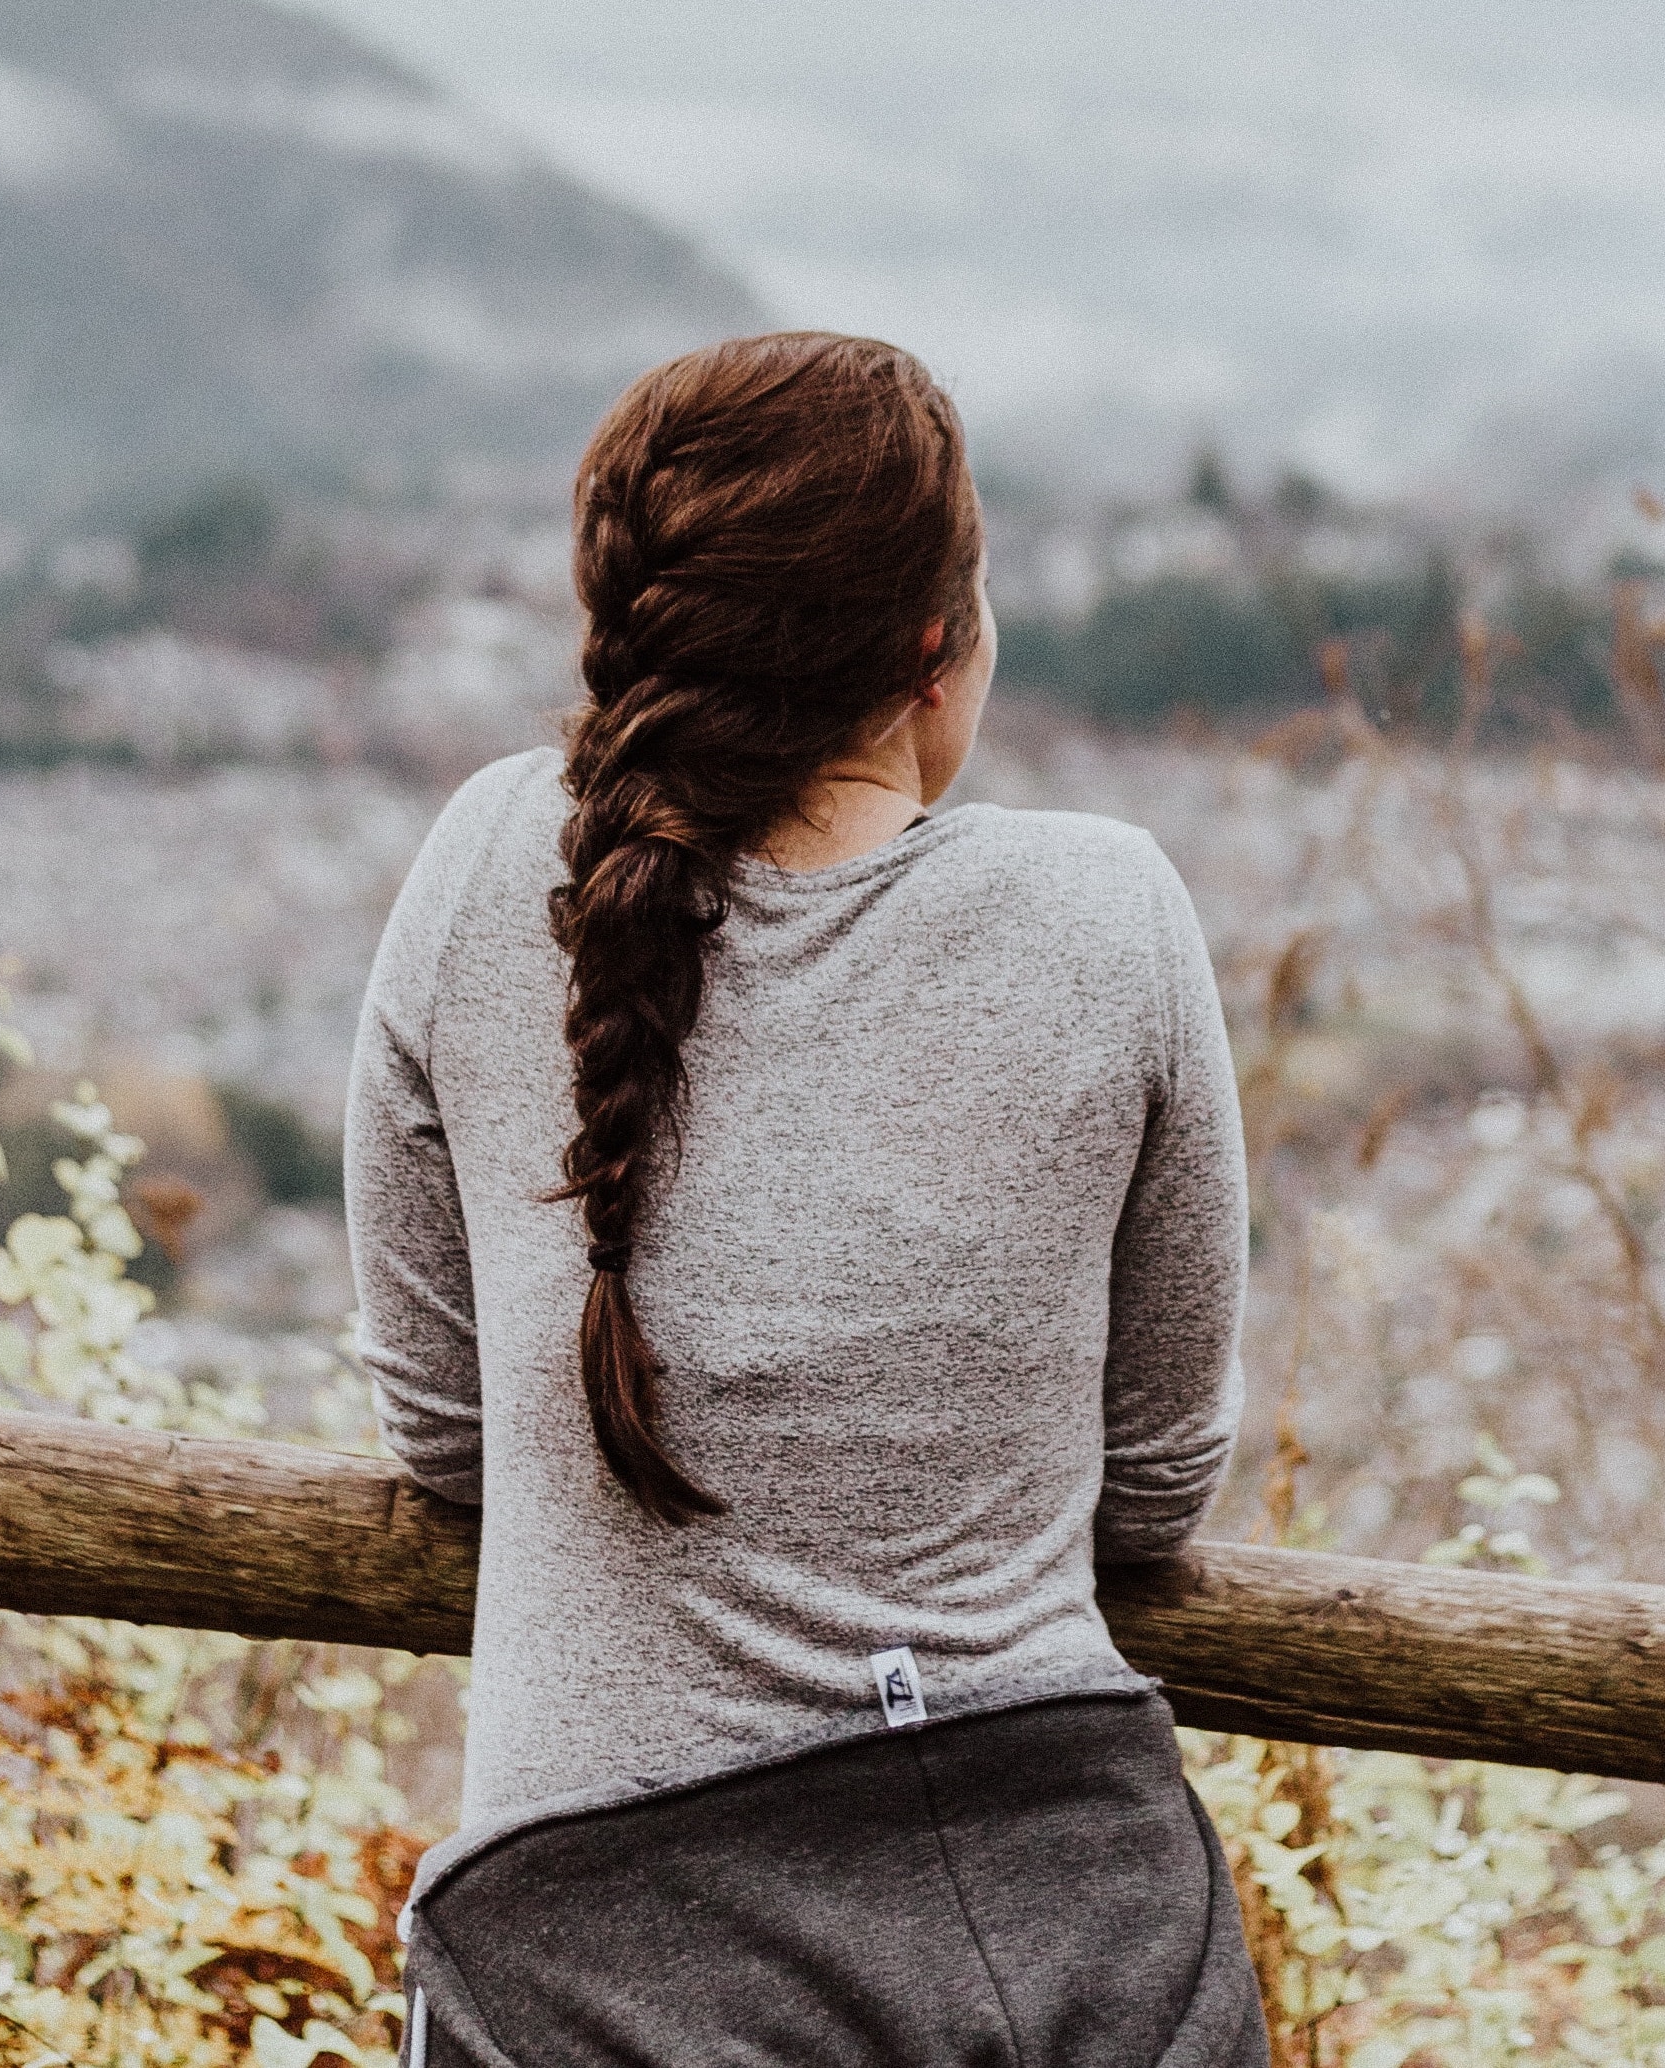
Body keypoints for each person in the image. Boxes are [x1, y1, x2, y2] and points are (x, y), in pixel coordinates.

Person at [343, 331, 1267, 2066]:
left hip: (593, 1969)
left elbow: (442, 1433)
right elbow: (1152, 1490)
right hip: (1069, 1946)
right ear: (938, 644)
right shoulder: (1109, 915)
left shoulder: (487, 868)